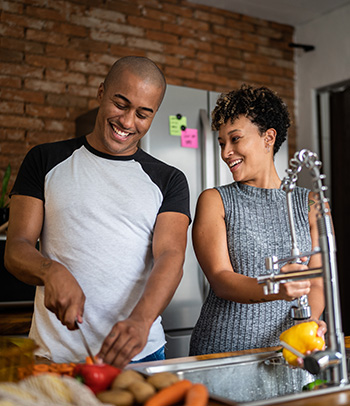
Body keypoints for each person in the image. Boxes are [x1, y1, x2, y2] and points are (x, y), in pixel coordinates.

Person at [4, 56, 191, 368]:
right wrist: (51, 271)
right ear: (101, 93)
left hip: (138, 355)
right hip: (54, 356)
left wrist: (142, 321)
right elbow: (16, 247)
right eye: (121, 104)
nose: (128, 122)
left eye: (143, 114)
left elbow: (171, 257)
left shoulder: (169, 179)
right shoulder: (45, 159)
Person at [189, 84, 326, 356]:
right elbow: (221, 279)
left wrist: (307, 329)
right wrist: (277, 286)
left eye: (235, 139)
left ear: (268, 137)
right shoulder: (215, 200)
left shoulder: (311, 203)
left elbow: (318, 281)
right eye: (221, 143)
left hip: (289, 351)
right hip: (223, 352)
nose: (225, 152)